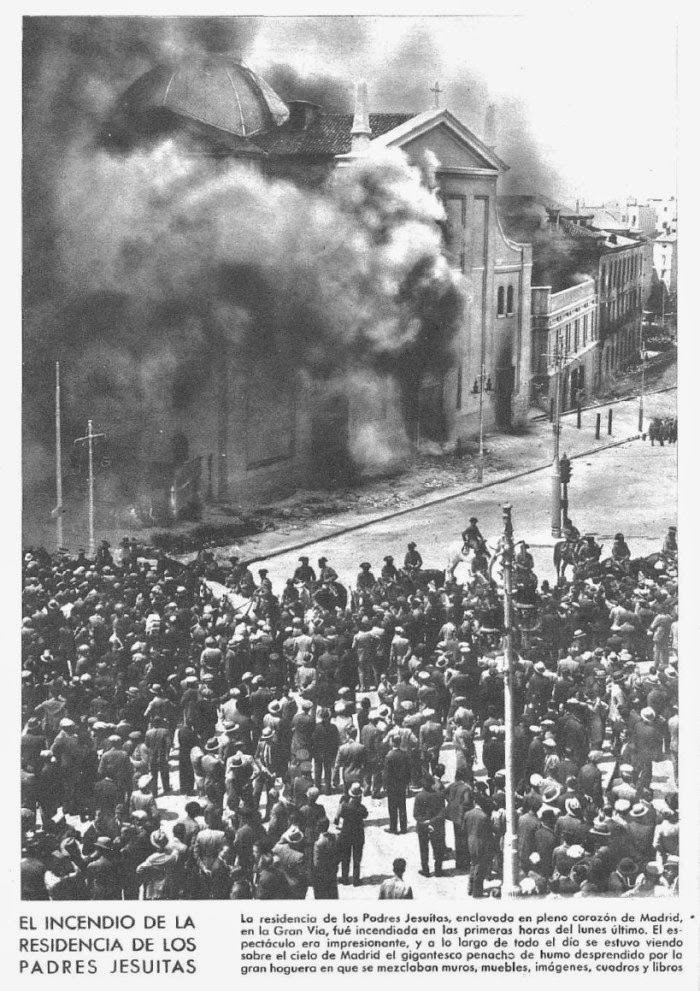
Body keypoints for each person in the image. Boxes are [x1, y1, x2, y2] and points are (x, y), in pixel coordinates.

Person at [334, 782, 367, 886]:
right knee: (357, 858)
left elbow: (338, 816)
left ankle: (345, 878)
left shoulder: (344, 806)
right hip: (358, 835)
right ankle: (356, 879)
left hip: (346, 834)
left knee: (345, 857)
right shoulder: (362, 808)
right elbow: (365, 815)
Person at [413, 774, 446, 878]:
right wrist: (432, 821)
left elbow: (416, 814)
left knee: (423, 849)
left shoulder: (419, 796)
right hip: (436, 825)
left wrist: (425, 822)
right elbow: (442, 812)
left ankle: (425, 870)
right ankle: (438, 870)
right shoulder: (439, 795)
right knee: (438, 848)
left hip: (422, 826)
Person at [383, 738, 411, 834]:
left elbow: (386, 772)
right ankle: (403, 828)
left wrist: (385, 784)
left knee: (392, 807)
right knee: (402, 806)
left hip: (392, 785)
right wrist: (407, 783)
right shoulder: (405, 755)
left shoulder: (389, 755)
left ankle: (393, 827)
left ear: (392, 743)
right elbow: (408, 771)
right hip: (402, 784)